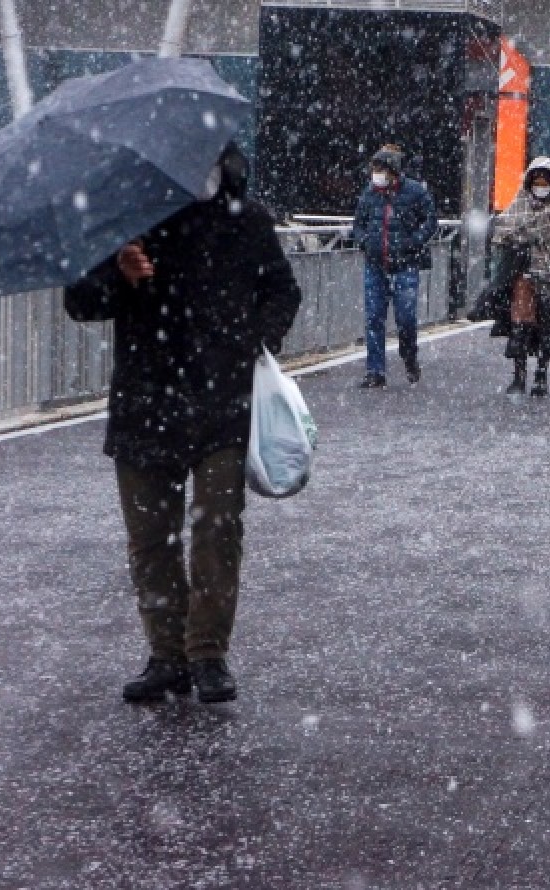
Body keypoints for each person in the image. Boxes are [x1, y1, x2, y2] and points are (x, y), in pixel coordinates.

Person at [64, 144, 302, 705]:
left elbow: (282, 291)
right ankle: (166, 655)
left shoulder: (246, 220)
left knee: (217, 529)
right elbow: (80, 301)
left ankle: (207, 654)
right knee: (152, 538)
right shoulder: (129, 220)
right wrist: (118, 274)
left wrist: (250, 342)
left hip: (222, 401)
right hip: (145, 398)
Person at [475, 157, 550, 396]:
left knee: (548, 322)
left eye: (545, 182)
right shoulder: (520, 204)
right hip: (524, 271)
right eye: (536, 182)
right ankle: (519, 377)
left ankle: (541, 374)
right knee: (520, 322)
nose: (540, 187)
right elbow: (503, 228)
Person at [350, 144, 438, 389]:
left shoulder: (415, 192)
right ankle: (375, 371)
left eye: (381, 169)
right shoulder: (369, 194)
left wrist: (414, 242)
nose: (376, 175)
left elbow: (430, 221)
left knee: (406, 317)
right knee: (374, 318)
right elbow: (358, 224)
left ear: (393, 171)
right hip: (375, 264)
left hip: (405, 264)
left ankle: (409, 354)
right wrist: (365, 242)